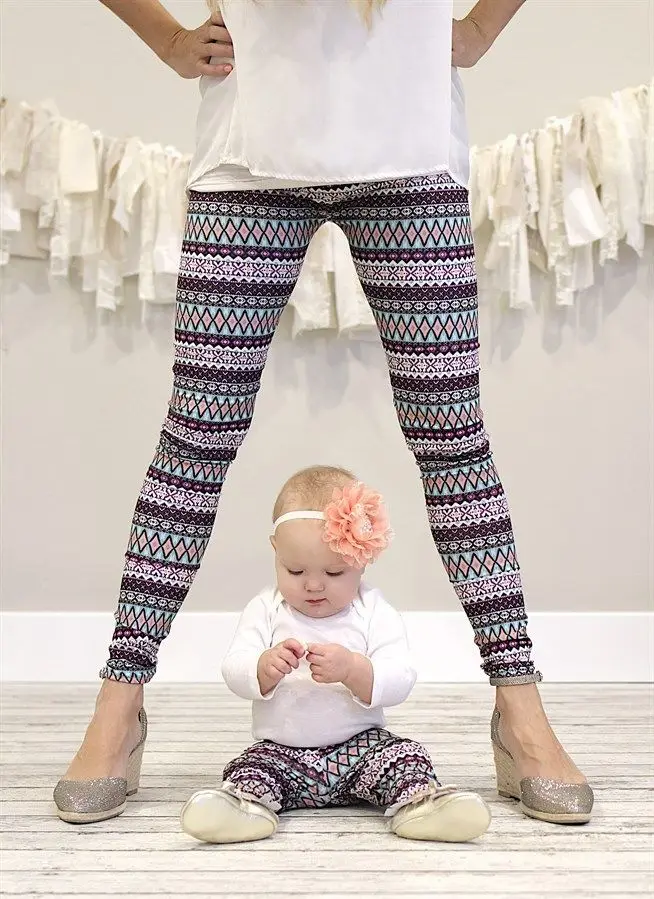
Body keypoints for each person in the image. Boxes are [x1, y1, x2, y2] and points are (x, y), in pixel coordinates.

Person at [53, 0, 593, 827]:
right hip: (248, 156)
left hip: (409, 147)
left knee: (452, 438)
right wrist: (167, 37)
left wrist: (482, 26)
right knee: (196, 437)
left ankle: (519, 710)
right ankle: (118, 706)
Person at [180, 465, 492, 845]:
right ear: (276, 550)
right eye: (295, 570)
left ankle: (421, 807)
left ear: (362, 561)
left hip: (361, 748)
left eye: (333, 572)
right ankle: (243, 809)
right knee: (251, 768)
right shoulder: (266, 608)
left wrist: (353, 669)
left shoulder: (373, 610)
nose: (313, 585)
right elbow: (234, 666)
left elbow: (400, 677)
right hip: (282, 751)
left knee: (405, 757)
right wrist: (262, 668)